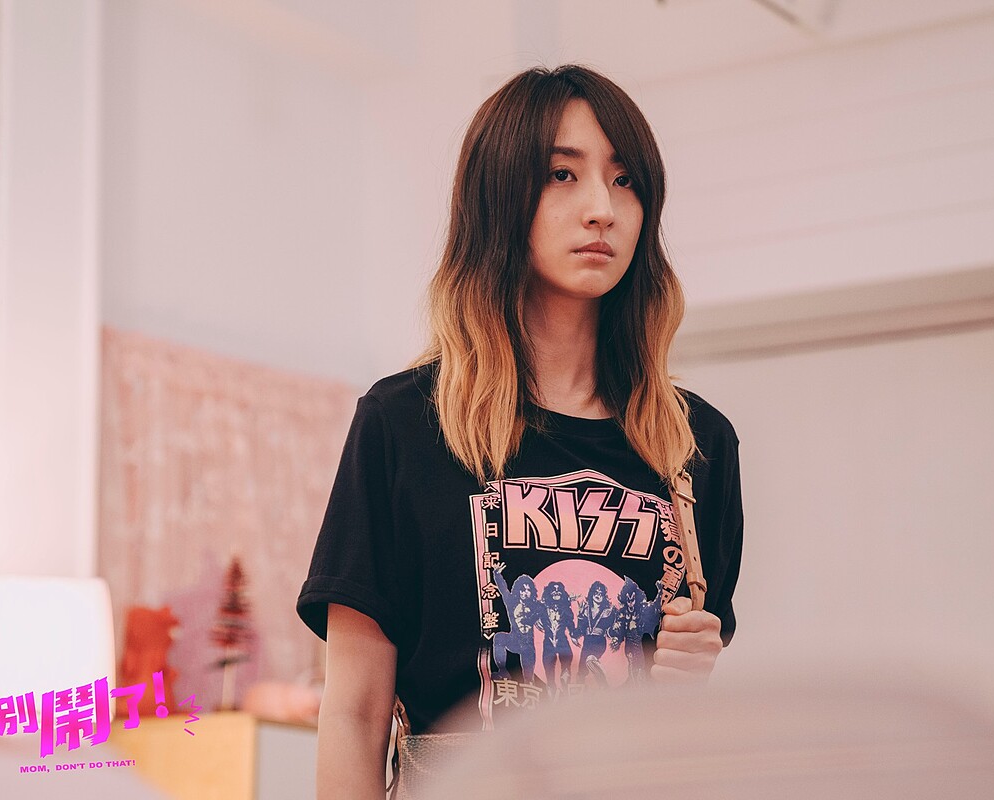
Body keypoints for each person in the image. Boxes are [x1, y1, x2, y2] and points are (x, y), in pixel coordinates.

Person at [297, 64, 743, 798]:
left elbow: (672, 726)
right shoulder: (404, 425)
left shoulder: (698, 447)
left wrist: (683, 680)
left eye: (625, 181)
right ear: (499, 198)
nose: (601, 209)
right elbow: (353, 712)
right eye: (563, 175)